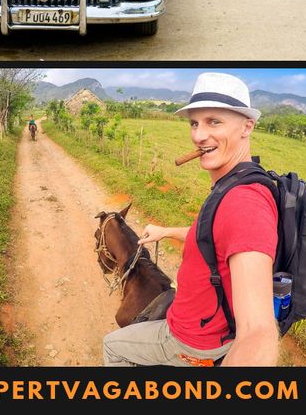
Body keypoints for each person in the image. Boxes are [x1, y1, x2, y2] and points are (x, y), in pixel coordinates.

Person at [102, 72, 279, 368]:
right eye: (194, 123)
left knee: (112, 346)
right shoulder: (233, 182)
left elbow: (257, 331)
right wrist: (166, 231)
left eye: (214, 122)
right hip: (204, 320)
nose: (198, 135)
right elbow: (214, 235)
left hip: (193, 339)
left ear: (248, 126)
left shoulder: (244, 202)